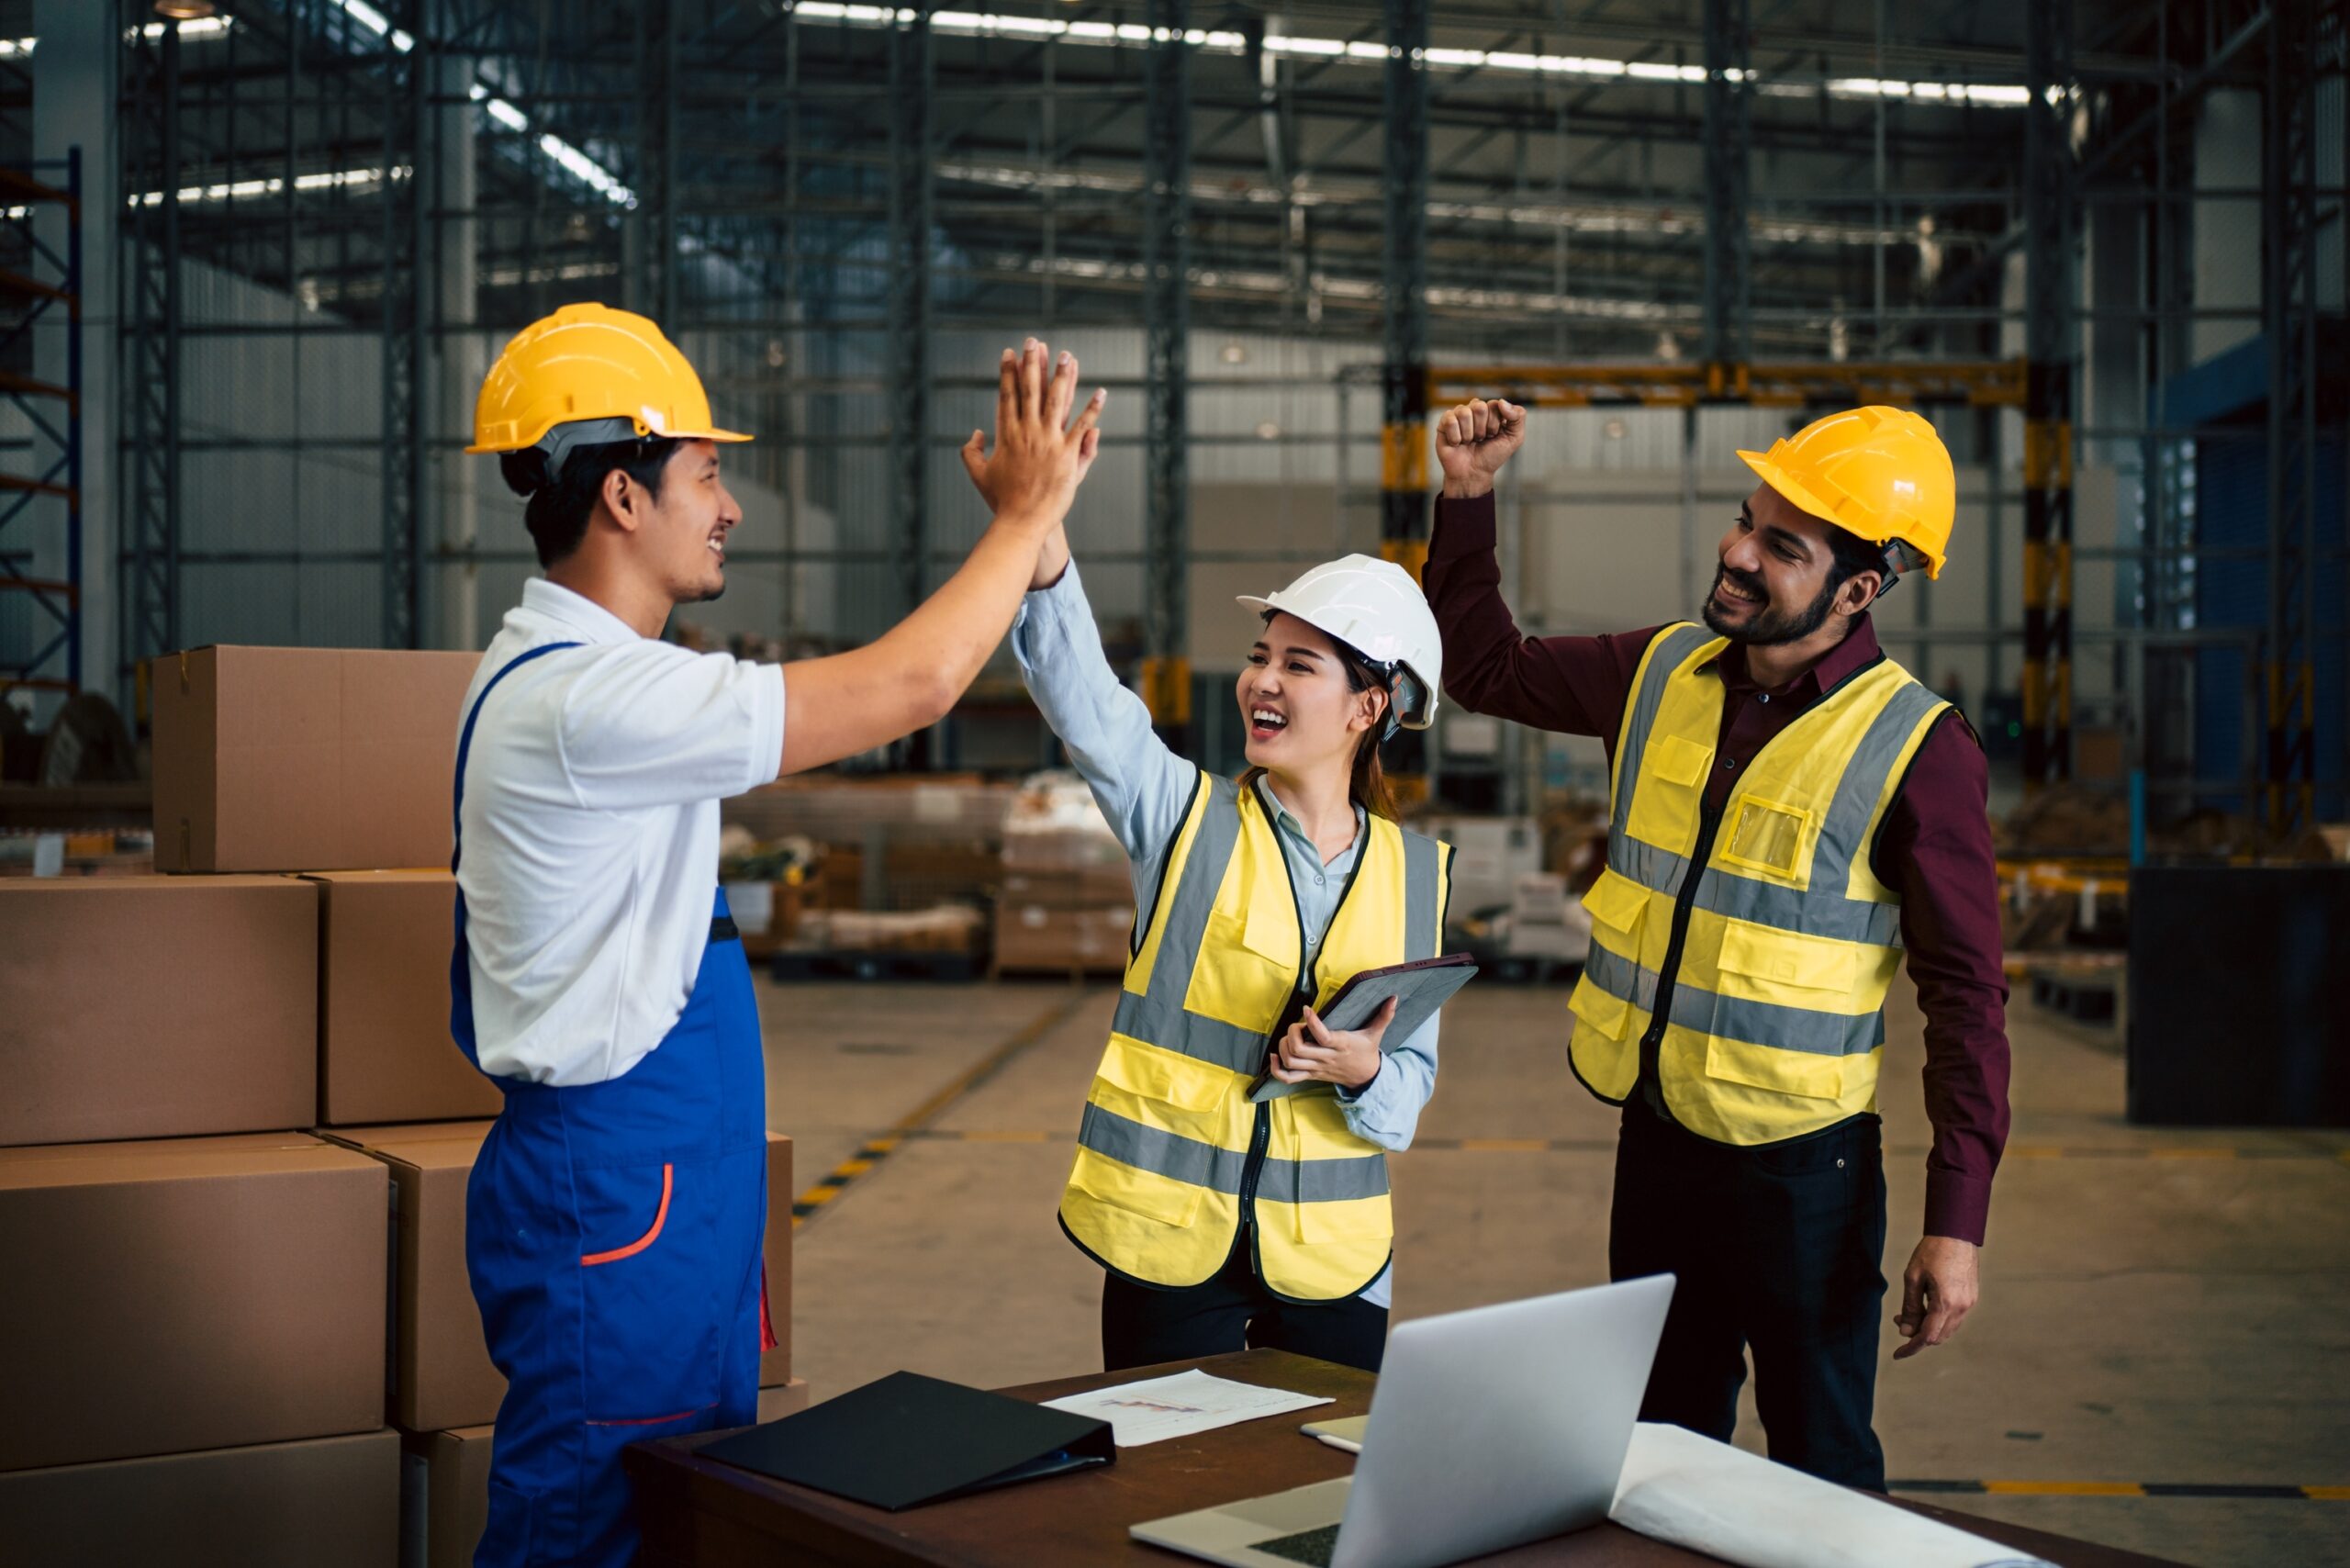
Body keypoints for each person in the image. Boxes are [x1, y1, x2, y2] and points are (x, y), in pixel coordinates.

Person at [452, 307, 1102, 1568]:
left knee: (669, 1507)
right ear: (624, 498)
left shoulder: (589, 675)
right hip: (620, 1192)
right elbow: (911, 688)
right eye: (706, 473)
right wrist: (1023, 521)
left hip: (661, 1187)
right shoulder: (592, 697)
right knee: (588, 1523)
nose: (730, 504)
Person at [1422, 398, 2010, 1491]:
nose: (1737, 554)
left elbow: (1968, 1000)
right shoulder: (1660, 670)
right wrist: (1466, 495)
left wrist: (1955, 1224)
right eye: (1747, 521)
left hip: (1806, 1180)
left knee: (1818, 1464)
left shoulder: (1917, 749)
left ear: (1857, 588)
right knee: (1651, 1452)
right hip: (1658, 1144)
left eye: (1781, 547)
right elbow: (1485, 670)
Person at [990, 469, 1457, 1373]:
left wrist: (1364, 1071)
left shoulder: (1415, 875)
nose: (1260, 681)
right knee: (1159, 1488)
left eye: (1298, 664)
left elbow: (1402, 1103)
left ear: (1370, 706)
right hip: (1167, 1241)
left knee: (1313, 1496)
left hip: (1332, 1262)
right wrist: (1036, 523)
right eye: (1260, 656)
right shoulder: (1182, 818)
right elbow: (1085, 700)